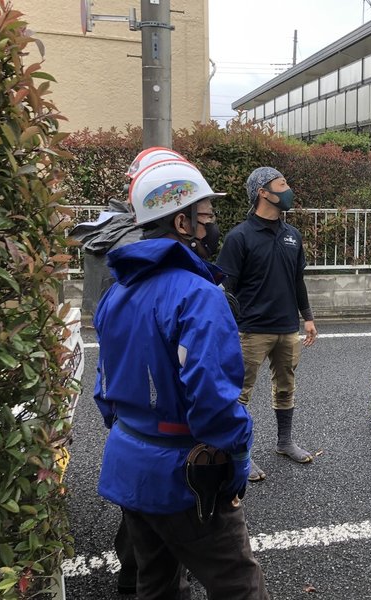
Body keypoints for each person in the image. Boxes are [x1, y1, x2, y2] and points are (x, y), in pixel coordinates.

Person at [93, 159, 269, 599]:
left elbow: (103, 389)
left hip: (129, 466)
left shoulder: (117, 290)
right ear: (181, 221)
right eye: (206, 217)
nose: (211, 228)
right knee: (238, 584)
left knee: (156, 583)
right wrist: (238, 462)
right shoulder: (198, 294)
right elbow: (213, 401)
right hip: (186, 476)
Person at [216, 166, 317, 482]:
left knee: (286, 387)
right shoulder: (239, 237)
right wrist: (228, 327)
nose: (288, 189)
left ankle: (285, 442)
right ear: (262, 191)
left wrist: (308, 319)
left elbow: (297, 281)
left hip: (287, 328)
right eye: (282, 183)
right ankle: (240, 453)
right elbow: (226, 289)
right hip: (250, 330)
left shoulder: (292, 235)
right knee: (239, 394)